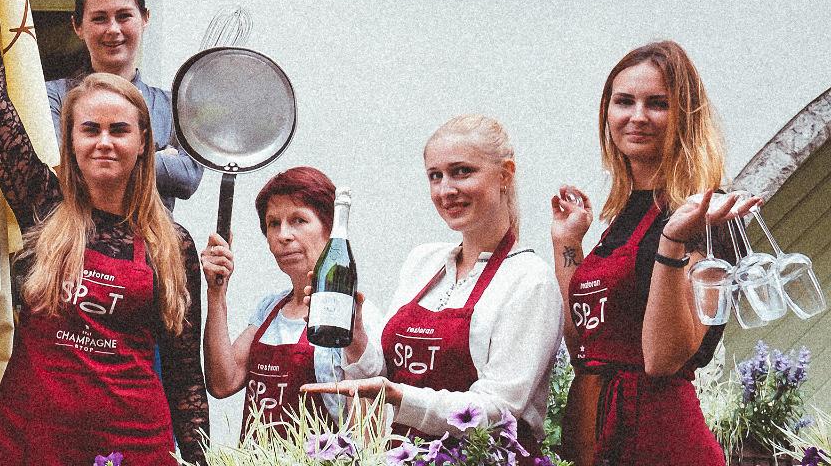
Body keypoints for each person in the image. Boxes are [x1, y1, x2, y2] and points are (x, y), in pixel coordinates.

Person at [0, 0, 206, 466]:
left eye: (120, 129)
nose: (104, 142)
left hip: (134, 445)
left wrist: (201, 459)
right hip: (30, 443)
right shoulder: (43, 208)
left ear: (144, 140)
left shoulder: (173, 246)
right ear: (68, 140)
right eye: (89, 129)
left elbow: (186, 379)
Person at [548, 42, 760, 466]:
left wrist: (671, 241)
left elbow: (664, 360)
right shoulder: (622, 216)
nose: (638, 116)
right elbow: (587, 345)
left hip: (661, 444)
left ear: (686, 116)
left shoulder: (707, 215)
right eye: (624, 101)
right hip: (593, 438)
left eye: (658, 104)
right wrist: (567, 245)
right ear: (607, 113)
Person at [299, 115, 560, 458]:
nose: (445, 190)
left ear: (505, 175)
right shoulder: (422, 262)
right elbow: (383, 375)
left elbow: (500, 409)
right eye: (435, 176)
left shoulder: (529, 278)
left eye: (462, 172)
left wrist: (401, 398)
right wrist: (355, 336)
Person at [200, 166, 378, 434]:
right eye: (274, 223)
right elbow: (223, 382)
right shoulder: (269, 308)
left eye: (298, 220)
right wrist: (216, 292)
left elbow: (367, 432)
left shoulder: (355, 317)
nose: (283, 235)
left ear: (330, 229)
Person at [45, 0, 202, 210]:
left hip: (155, 235)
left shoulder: (173, 106)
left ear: (145, 18)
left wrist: (97, 159)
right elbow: (61, 169)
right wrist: (156, 158)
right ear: (78, 26)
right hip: (76, 232)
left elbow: (188, 177)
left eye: (124, 16)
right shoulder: (53, 96)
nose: (113, 29)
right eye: (99, 18)